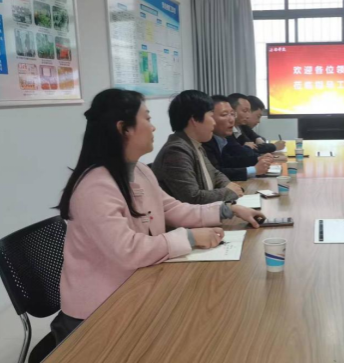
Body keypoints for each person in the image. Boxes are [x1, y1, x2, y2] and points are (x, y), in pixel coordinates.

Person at [51, 89, 264, 344]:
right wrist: (189, 238)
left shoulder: (140, 171)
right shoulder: (95, 186)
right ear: (124, 128)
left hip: (138, 285)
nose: (153, 128)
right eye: (147, 119)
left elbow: (173, 209)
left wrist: (227, 210)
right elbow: (129, 250)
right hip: (101, 310)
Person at [152, 90, 245, 205]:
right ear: (194, 120)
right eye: (211, 116)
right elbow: (193, 198)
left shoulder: (194, 144)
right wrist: (229, 192)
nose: (214, 123)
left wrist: (228, 184)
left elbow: (215, 173)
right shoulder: (176, 151)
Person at [202, 95, 273, 182]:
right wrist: (254, 170)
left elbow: (229, 161)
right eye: (224, 114)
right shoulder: (205, 141)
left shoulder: (222, 138)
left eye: (232, 114)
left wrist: (257, 159)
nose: (231, 119)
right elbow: (216, 173)